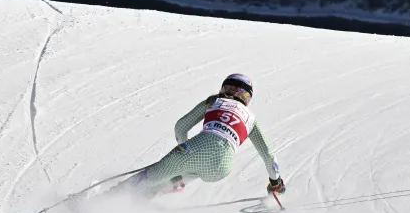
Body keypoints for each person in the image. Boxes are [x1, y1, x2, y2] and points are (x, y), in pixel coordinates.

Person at [114, 73, 285, 198]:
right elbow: (269, 156)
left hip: (195, 151)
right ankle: (161, 187)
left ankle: (106, 200)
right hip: (221, 169)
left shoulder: (214, 101)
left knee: (150, 177)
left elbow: (180, 127)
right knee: (191, 171)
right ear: (247, 96)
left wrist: (184, 149)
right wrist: (275, 183)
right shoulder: (251, 119)